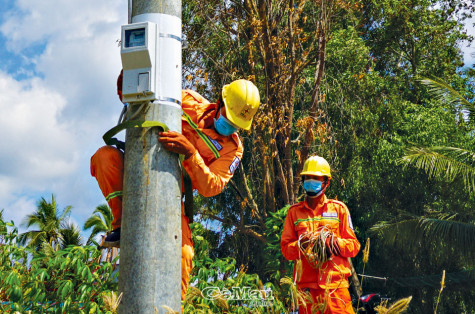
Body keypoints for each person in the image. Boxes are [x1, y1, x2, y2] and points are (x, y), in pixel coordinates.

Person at [90, 74, 260, 299]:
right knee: (104, 158)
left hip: (171, 192)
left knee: (184, 255)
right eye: (228, 119)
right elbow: (139, 101)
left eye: (235, 125)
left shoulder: (232, 149)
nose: (228, 127)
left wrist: (191, 153)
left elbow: (213, 186)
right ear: (220, 102)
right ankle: (122, 225)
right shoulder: (188, 100)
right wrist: (131, 77)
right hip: (138, 167)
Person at [280, 155, 360, 313]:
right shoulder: (294, 213)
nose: (311, 181)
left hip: (336, 290)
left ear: (326, 182)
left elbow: (354, 246)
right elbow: (286, 250)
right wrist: (301, 244)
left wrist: (335, 242)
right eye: (307, 177)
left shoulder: (339, 210)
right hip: (307, 292)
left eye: (315, 178)